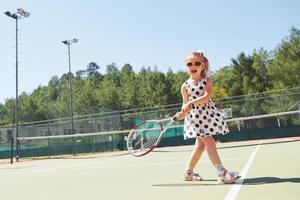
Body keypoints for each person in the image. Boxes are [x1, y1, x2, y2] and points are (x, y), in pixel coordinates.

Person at [176, 51, 239, 184]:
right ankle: (222, 172)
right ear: (186, 66)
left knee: (200, 146)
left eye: (197, 63)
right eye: (189, 64)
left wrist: (190, 103)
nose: (193, 66)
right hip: (196, 120)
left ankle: (188, 172)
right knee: (210, 142)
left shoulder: (207, 80)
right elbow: (185, 105)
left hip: (208, 116)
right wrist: (183, 112)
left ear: (203, 65)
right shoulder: (184, 86)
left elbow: (207, 96)